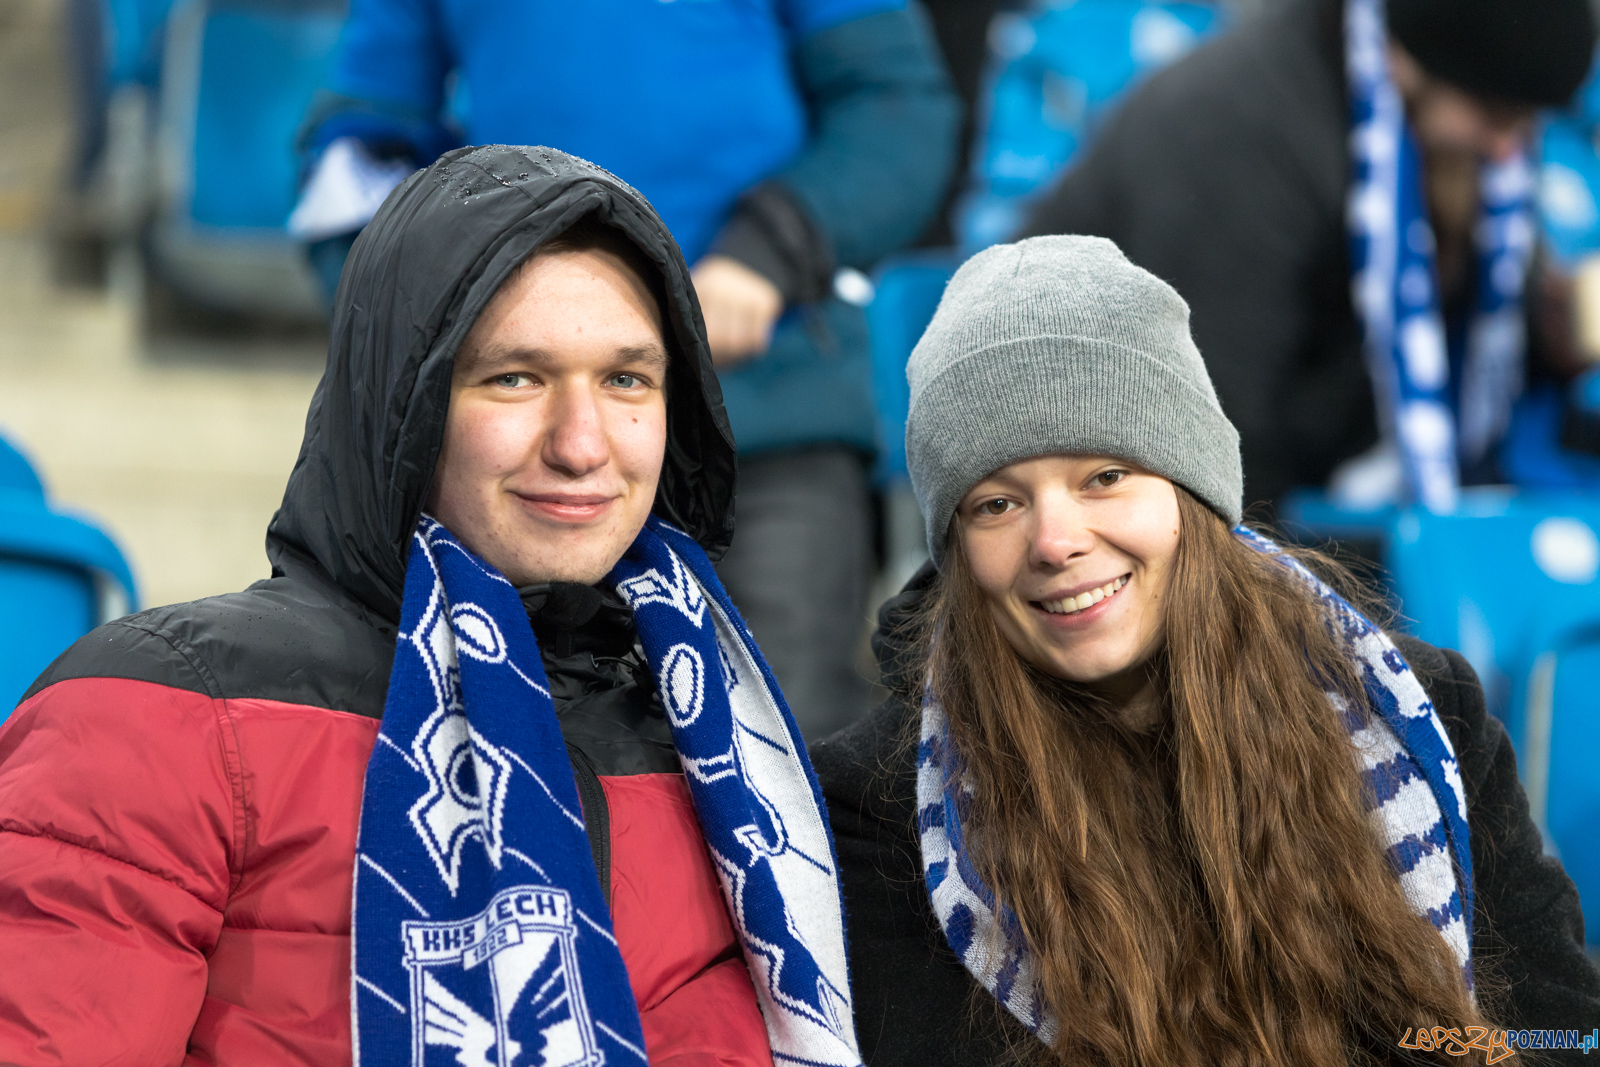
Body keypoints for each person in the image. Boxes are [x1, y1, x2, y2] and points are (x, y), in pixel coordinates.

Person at [0, 146, 862, 1067]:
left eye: (626, 381)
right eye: (514, 378)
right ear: (403, 407)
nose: (582, 443)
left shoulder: (728, 767)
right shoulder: (164, 710)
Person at [813, 236, 1600, 1066]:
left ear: (1193, 490)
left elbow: (1567, 1032)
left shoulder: (1418, 708)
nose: (1055, 539)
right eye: (997, 503)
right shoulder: (881, 810)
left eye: (1104, 476)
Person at [287, 0, 963, 738]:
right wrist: (422, 316)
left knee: (786, 747)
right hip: (522, 451)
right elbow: (356, 150)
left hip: (769, 426)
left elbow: (899, 109)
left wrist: (767, 254)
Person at [1021, 0, 1597, 513]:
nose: (1507, 147)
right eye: (1495, 117)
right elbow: (1216, 419)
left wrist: (1555, 333)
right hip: (1113, 452)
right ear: (1403, 60)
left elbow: (1456, 327)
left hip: (1302, 444)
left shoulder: (1422, 109)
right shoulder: (1240, 125)